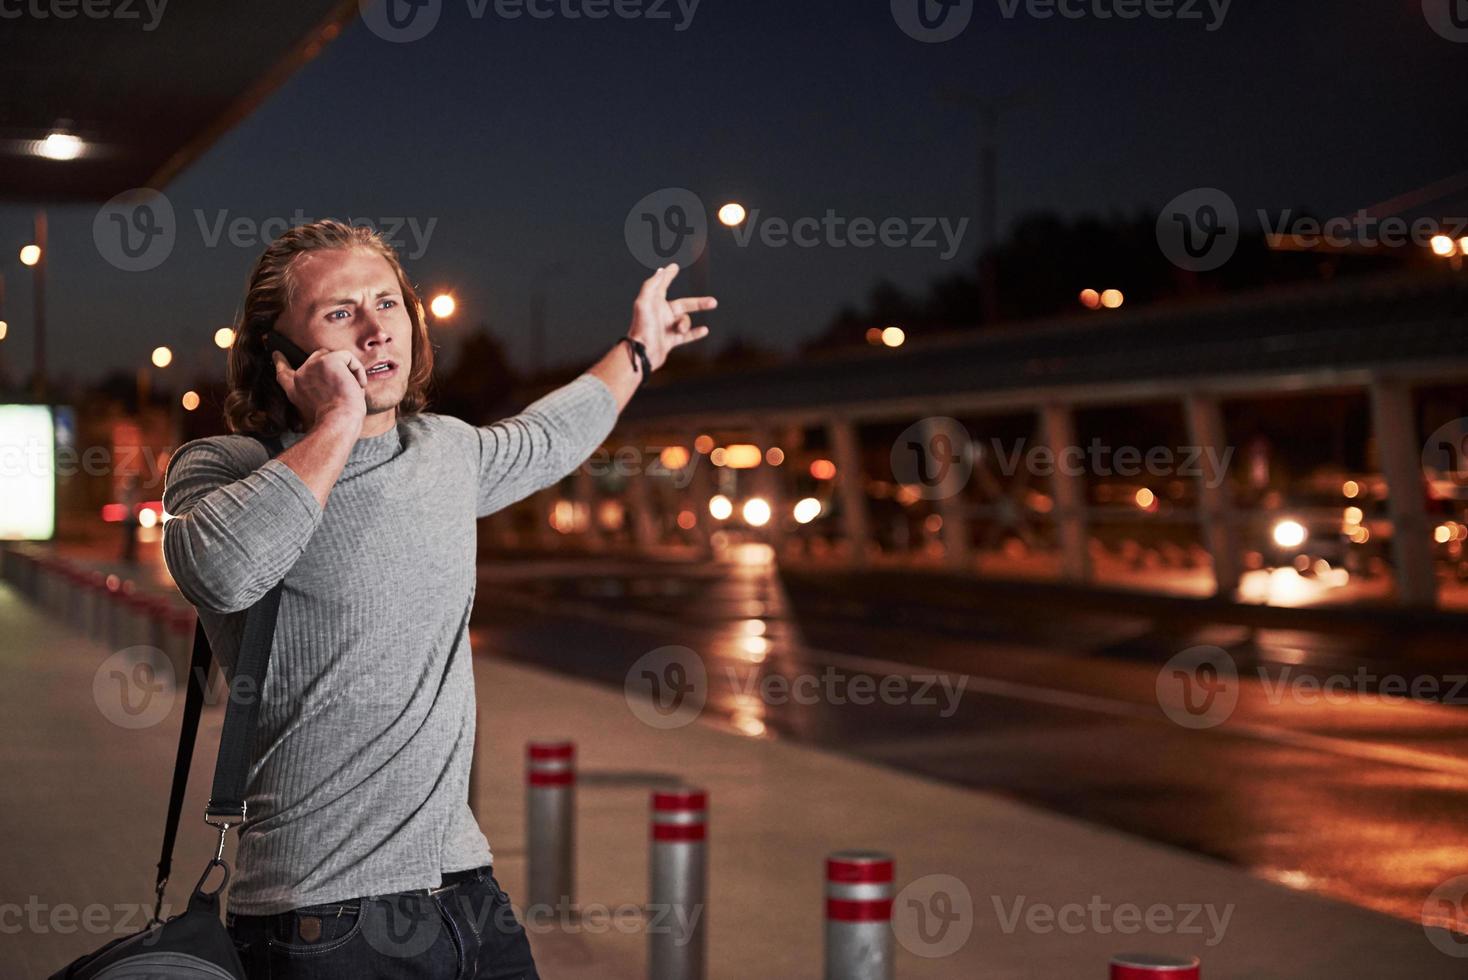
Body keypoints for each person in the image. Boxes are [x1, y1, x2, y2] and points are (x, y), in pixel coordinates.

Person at [161, 219, 713, 979]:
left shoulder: (443, 451)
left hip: (466, 890)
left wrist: (639, 349)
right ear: (277, 351)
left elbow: (548, 435)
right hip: (321, 913)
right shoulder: (225, 467)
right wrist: (337, 423)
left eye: (388, 303)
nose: (376, 329)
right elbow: (220, 569)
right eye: (339, 312)